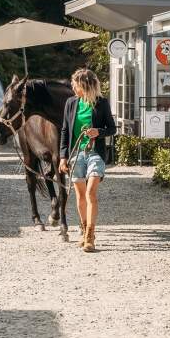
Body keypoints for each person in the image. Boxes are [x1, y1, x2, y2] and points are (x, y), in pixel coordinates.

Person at [59, 68, 116, 252]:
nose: (73, 88)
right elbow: (65, 131)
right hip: (76, 154)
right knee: (80, 195)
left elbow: (112, 128)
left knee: (91, 192)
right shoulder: (70, 103)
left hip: (95, 153)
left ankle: (90, 235)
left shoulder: (101, 103)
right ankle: (84, 230)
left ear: (84, 85)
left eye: (75, 85)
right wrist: (63, 157)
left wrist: (98, 132)